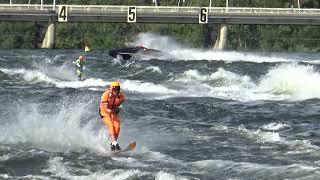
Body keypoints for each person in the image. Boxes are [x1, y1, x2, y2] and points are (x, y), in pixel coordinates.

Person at [99, 81, 125, 151]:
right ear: (111, 89)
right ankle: (114, 143)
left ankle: (113, 143)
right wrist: (115, 110)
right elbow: (107, 110)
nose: (116, 92)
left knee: (117, 127)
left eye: (117, 90)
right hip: (104, 112)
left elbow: (119, 104)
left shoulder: (121, 96)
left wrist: (117, 108)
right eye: (114, 90)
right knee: (110, 125)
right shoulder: (105, 95)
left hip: (113, 111)